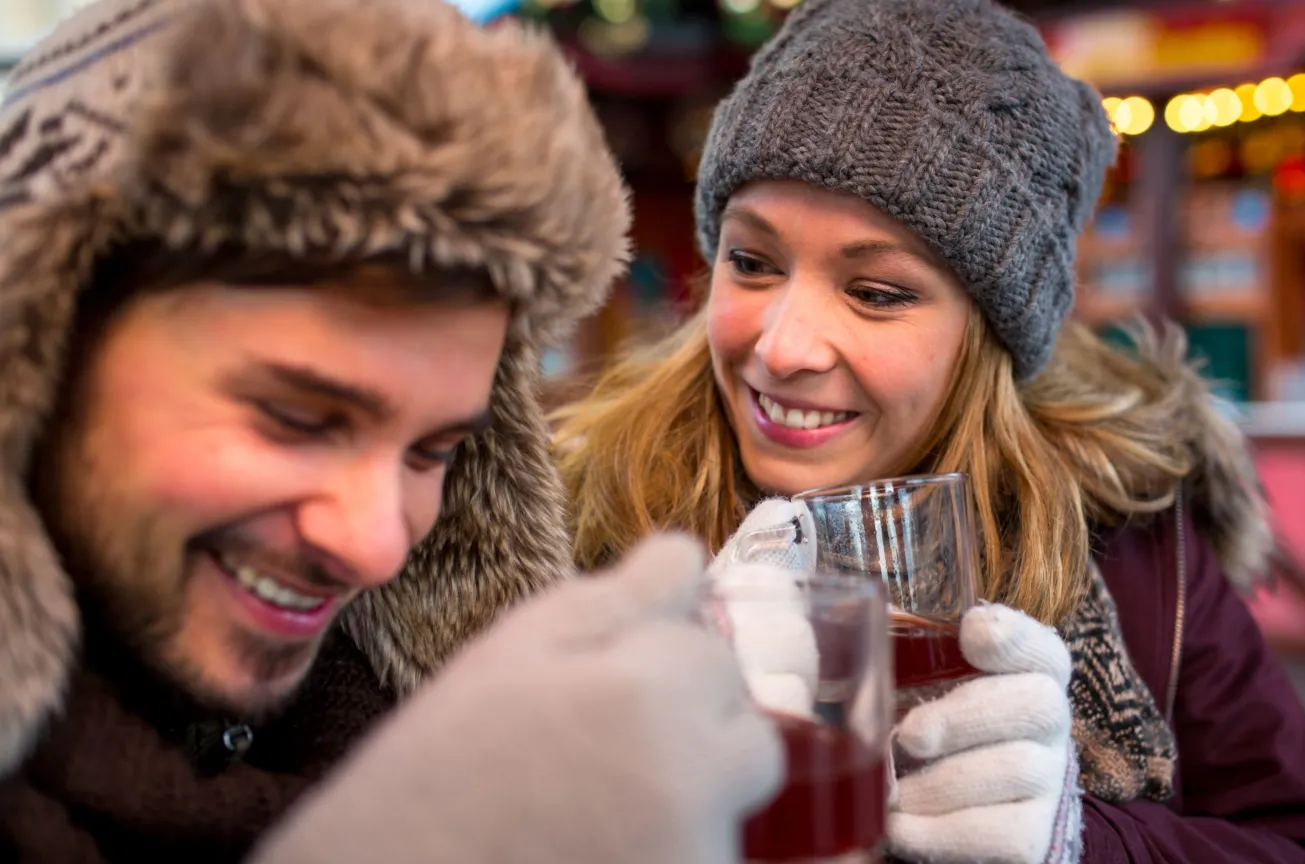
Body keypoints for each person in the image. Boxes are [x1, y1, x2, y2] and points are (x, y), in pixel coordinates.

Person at [552, 0, 1305, 860]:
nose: (782, 346)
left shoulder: (1125, 530)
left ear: (988, 335)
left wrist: (1084, 841)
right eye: (753, 262)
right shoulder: (562, 526)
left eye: (877, 292)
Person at [0, 0, 781, 861]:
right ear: (45, 347)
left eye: (434, 451)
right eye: (297, 420)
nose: (375, 547)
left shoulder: (392, 713)